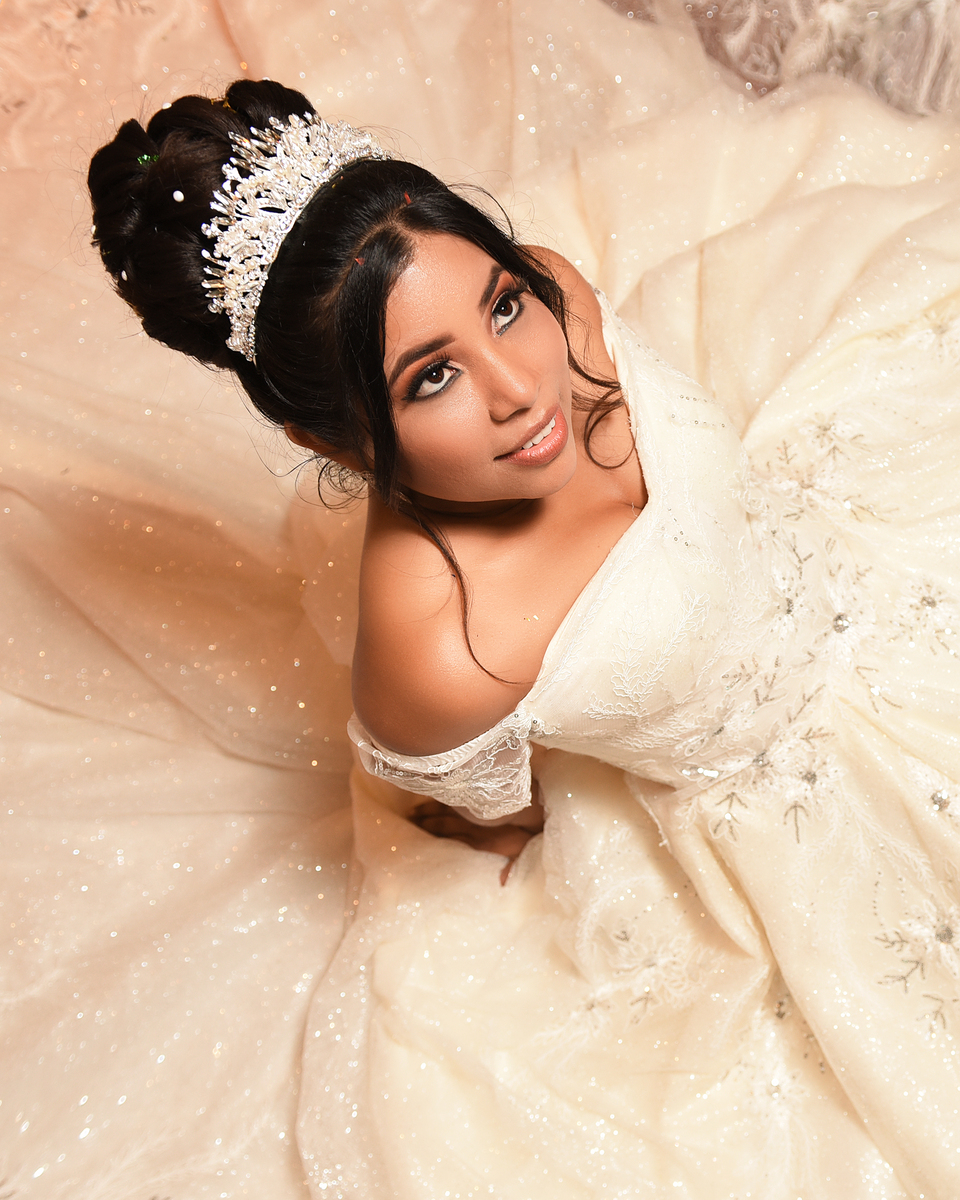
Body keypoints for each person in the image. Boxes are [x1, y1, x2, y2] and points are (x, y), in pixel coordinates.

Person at [85, 64, 960, 1200]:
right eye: (433, 378)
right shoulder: (445, 651)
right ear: (337, 441)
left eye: (499, 306)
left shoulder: (555, 290)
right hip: (791, 803)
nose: (521, 389)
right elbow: (481, 812)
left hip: (866, 543)